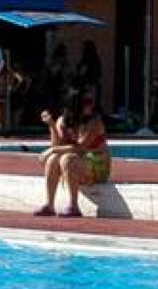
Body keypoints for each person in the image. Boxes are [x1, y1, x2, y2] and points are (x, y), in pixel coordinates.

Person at [35, 88, 111, 218]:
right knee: (53, 159)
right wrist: (52, 126)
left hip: (96, 163)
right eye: (87, 102)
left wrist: (53, 150)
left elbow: (81, 147)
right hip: (78, 162)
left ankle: (73, 205)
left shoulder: (95, 122)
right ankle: (50, 204)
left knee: (67, 158)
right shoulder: (64, 121)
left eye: (92, 101)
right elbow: (57, 145)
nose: (91, 105)